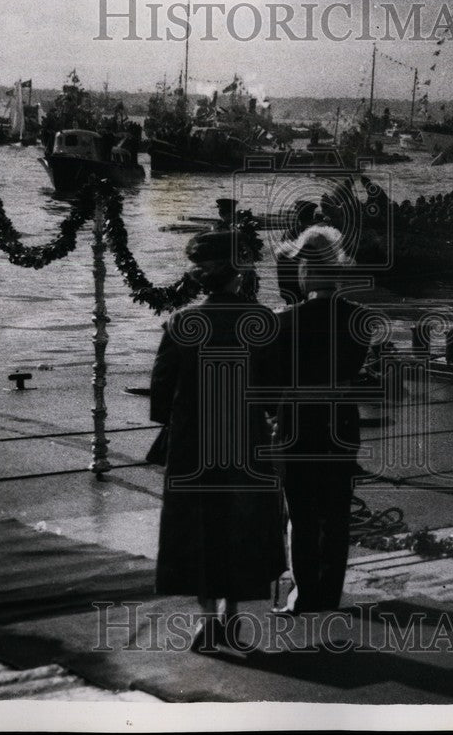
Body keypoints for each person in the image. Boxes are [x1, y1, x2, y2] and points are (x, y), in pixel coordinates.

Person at [150, 230, 285, 651]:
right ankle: (233, 616)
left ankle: (206, 620)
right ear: (238, 272)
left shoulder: (180, 322)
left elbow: (160, 394)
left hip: (193, 441)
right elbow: (273, 391)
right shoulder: (261, 320)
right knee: (242, 523)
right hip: (244, 437)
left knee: (198, 526)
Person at [270, 226, 369, 613]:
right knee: (336, 513)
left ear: (307, 272)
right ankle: (330, 594)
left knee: (301, 514)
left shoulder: (284, 320)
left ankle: (303, 594)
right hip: (340, 423)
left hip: (297, 423)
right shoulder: (359, 319)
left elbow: (272, 379)